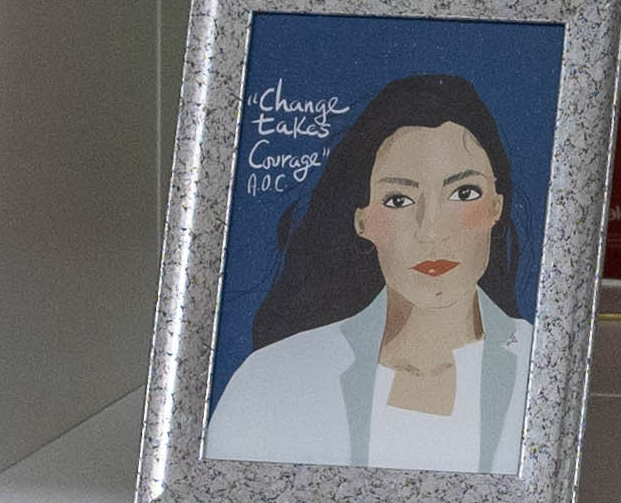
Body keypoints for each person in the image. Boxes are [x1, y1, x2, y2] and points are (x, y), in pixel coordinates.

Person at [196, 71, 546, 473]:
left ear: (496, 207)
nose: (431, 231)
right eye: (398, 199)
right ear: (363, 221)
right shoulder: (271, 378)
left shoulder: (544, 369)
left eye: (463, 193)